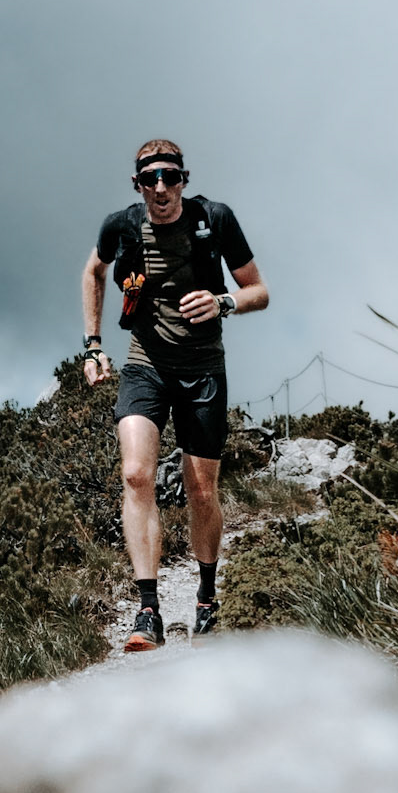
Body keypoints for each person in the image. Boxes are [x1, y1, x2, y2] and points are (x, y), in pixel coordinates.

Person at [81, 139, 268, 651]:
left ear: (183, 178)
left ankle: (206, 597)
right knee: (136, 474)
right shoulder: (121, 227)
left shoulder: (215, 219)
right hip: (146, 363)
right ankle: (148, 612)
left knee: (200, 490)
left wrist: (224, 300)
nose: (160, 188)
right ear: (137, 185)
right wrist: (94, 346)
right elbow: (93, 272)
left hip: (203, 366)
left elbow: (260, 290)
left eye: (169, 177)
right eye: (150, 179)